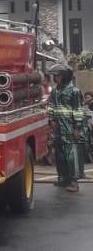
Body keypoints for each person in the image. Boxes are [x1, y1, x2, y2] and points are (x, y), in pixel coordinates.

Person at [48, 63, 87, 192]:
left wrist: (77, 127)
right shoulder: (54, 90)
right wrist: (51, 119)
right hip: (58, 127)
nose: (56, 78)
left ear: (64, 76)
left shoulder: (74, 91)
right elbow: (51, 106)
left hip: (69, 127)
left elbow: (78, 110)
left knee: (71, 155)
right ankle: (63, 178)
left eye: (58, 76)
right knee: (59, 154)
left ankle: (74, 182)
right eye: (55, 76)